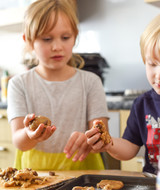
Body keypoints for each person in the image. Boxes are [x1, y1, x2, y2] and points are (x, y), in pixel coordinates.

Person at [7, 0, 109, 171]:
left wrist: (90, 139)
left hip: (84, 171)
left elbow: (102, 135)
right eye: (47, 39)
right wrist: (30, 135)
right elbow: (19, 142)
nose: (57, 46)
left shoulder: (91, 82)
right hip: (36, 174)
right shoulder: (19, 84)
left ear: (75, 37)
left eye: (65, 37)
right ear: (29, 41)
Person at [85, 14, 160, 175]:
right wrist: (109, 143)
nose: (158, 74)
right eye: (152, 64)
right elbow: (129, 148)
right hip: (153, 187)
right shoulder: (142, 104)